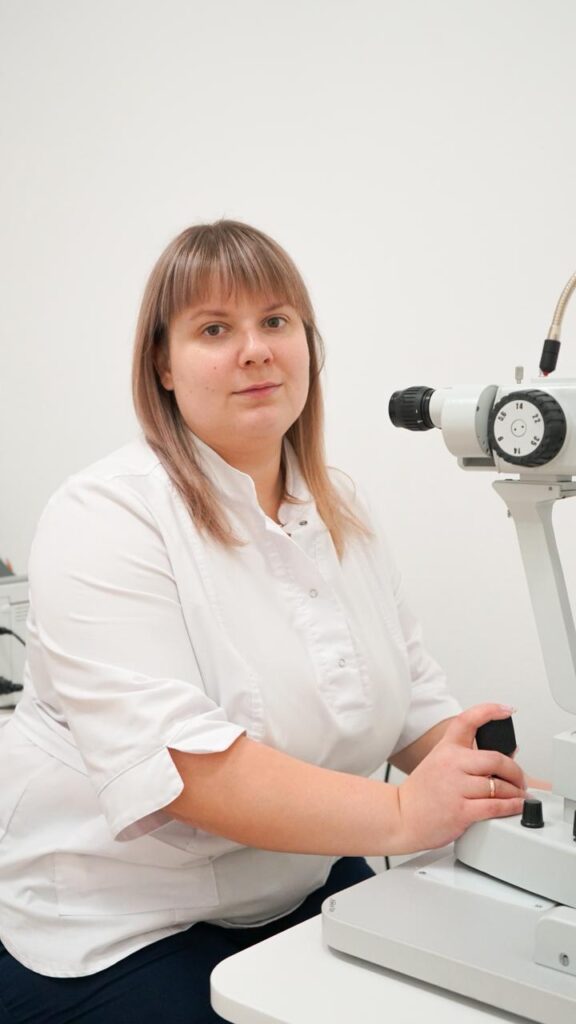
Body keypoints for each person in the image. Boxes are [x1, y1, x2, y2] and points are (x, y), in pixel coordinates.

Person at [0, 221, 526, 1023]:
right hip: (122, 919)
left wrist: (528, 802)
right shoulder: (104, 516)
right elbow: (185, 770)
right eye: (215, 329)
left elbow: (413, 699)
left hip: (299, 876)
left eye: (275, 321)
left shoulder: (339, 507)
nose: (255, 351)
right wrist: (401, 815)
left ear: (307, 345)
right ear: (163, 365)